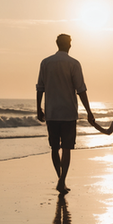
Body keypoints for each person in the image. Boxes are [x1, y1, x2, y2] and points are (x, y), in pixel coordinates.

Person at [36, 34, 95, 194]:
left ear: (57, 44)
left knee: (54, 148)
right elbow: (81, 89)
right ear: (69, 45)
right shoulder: (74, 64)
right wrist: (89, 111)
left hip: (52, 112)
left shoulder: (46, 62)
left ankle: (60, 179)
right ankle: (62, 181)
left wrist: (38, 108)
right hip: (68, 112)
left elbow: (40, 87)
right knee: (67, 148)